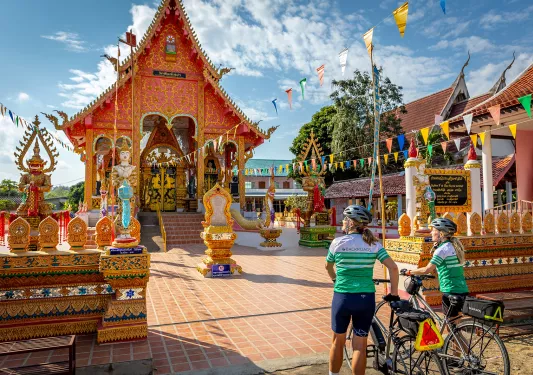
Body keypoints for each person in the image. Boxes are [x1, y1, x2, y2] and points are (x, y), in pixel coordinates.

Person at [326, 205, 399, 375]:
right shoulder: (373, 244)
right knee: (360, 345)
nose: (343, 222)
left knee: (338, 341)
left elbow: (327, 266)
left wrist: (335, 279)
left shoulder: (337, 243)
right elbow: (393, 268)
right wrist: (394, 292)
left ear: (351, 223)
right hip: (365, 299)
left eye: (345, 219)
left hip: (343, 297)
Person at [406, 217, 469, 318]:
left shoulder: (442, 250)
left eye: (434, 230)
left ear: (441, 234)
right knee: (456, 320)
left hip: (450, 289)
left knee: (449, 322)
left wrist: (409, 272)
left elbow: (427, 269)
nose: (431, 232)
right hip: (462, 288)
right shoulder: (454, 246)